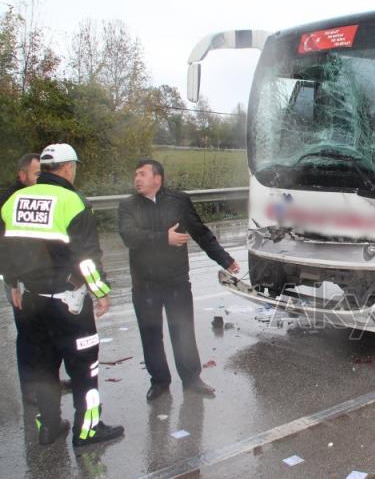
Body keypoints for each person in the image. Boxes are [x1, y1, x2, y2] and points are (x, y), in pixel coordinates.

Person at [0, 143, 124, 446]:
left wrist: (12, 283)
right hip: (68, 303)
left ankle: (49, 427)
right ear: (68, 168)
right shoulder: (72, 202)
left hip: (29, 301)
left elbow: (5, 249)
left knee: (42, 367)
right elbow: (87, 259)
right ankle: (88, 430)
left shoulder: (14, 200)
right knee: (84, 366)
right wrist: (100, 291)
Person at [118, 160, 239, 402]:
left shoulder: (178, 201)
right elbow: (129, 236)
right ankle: (159, 382)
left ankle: (192, 379)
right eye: (135, 175)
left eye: (142, 174)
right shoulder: (128, 205)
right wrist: (165, 238)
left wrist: (224, 259)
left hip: (176, 282)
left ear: (157, 178)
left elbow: (200, 232)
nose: (137, 179)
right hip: (144, 284)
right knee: (151, 334)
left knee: (183, 331)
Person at [0, 153, 41, 404]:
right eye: (36, 174)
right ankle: (30, 389)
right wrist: (13, 281)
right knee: (27, 333)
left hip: (39, 277)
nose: (40, 178)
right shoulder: (9, 201)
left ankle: (47, 381)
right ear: (22, 175)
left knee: (43, 331)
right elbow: (5, 246)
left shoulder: (40, 197)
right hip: (19, 279)